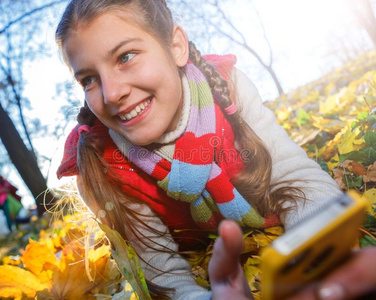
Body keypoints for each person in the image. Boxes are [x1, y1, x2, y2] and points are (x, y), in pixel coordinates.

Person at [54, 0, 375, 299]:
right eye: (89, 80)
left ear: (176, 46)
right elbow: (163, 275)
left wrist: (311, 260)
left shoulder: (227, 86)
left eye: (126, 56)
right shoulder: (102, 163)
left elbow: (295, 177)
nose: (111, 93)